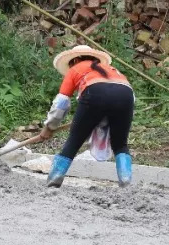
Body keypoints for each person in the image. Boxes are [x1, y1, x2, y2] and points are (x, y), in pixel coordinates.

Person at [39, 45, 135, 188]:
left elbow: (61, 104)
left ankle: (54, 179)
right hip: (126, 96)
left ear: (75, 59)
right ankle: (126, 182)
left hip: (95, 93)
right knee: (120, 144)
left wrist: (49, 126)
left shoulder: (75, 69)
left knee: (74, 140)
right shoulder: (114, 71)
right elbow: (128, 99)